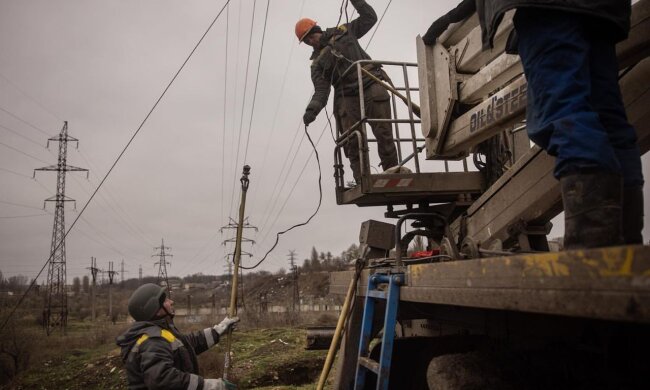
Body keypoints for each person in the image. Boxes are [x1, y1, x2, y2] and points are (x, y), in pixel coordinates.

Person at [423, 0, 644, 249]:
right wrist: (454, 15)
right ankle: (625, 244)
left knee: (565, 115)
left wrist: (453, 17)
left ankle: (592, 250)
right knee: (609, 120)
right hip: (604, 11)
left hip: (547, 8)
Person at [296, 0, 399, 184]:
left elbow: (369, 18)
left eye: (311, 36)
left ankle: (393, 173)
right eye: (306, 41)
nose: (310, 41)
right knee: (352, 141)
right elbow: (321, 91)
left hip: (370, 82)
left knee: (383, 133)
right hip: (346, 95)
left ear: (317, 30)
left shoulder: (344, 32)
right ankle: (363, 179)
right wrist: (312, 110)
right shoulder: (317, 64)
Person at [116, 283, 239, 390]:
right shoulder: (152, 340)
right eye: (165, 300)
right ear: (156, 309)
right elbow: (163, 380)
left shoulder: (160, 332)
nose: (171, 302)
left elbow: (187, 344)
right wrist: (207, 386)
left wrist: (218, 331)